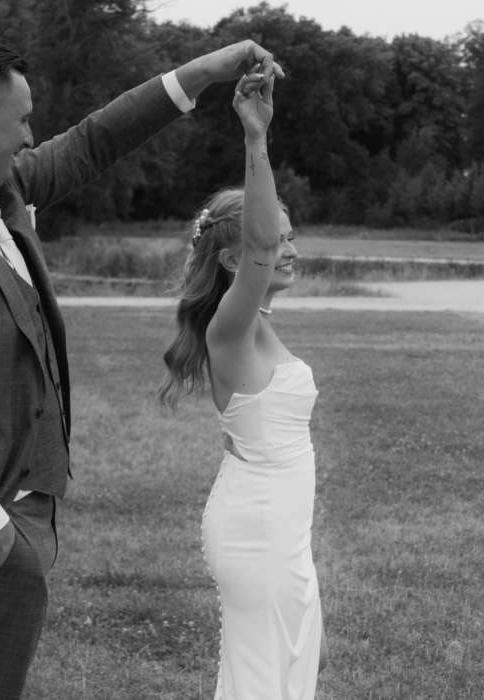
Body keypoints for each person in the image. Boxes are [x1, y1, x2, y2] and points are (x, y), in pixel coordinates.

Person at [0, 35, 283, 699]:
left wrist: (202, 73)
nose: (31, 136)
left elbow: (96, 140)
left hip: (22, 525)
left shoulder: (2, 192)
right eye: (23, 119)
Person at [159, 69, 323, 698]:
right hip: (256, 532)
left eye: (290, 235)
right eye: (279, 239)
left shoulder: (257, 325)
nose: (289, 248)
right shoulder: (230, 328)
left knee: (291, 673)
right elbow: (258, 246)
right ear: (234, 261)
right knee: (259, 682)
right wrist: (256, 139)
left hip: (284, 532)